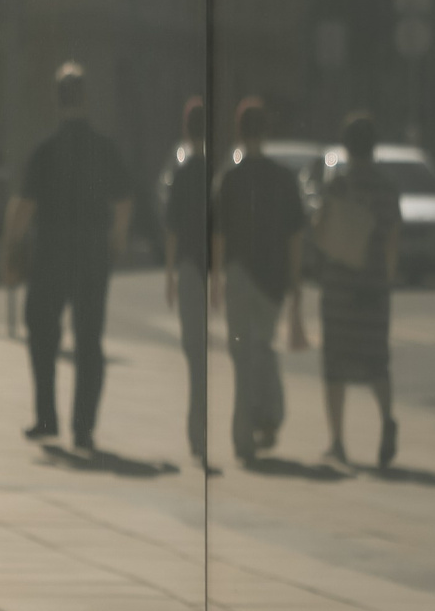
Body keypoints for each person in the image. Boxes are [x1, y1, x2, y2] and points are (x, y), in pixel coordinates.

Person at [4, 62, 131, 450]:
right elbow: (123, 202)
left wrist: (12, 250)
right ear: (86, 99)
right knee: (89, 340)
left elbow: (24, 208)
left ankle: (47, 418)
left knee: (42, 332)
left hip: (51, 252)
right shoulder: (104, 148)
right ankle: (83, 427)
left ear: (57, 101)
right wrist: (116, 242)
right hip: (92, 251)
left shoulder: (45, 151)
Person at [214, 98, 307, 464]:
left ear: (238, 132)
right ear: (265, 132)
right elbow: (295, 235)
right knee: (264, 348)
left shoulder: (229, 179)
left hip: (238, 275)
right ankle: (270, 416)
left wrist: (216, 279)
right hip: (272, 279)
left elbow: (218, 235)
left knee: (242, 356)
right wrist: (296, 280)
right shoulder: (284, 179)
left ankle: (243, 437)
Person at [314, 112, 403, 467]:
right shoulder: (387, 188)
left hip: (339, 287)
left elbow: (320, 232)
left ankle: (337, 442)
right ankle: (387, 419)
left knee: (335, 365)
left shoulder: (337, 185)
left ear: (347, 147)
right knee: (376, 360)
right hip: (373, 287)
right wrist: (387, 280)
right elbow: (393, 239)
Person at [162, 97, 214, 466]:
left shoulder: (182, 174)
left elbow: (172, 230)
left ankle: (198, 432)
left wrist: (169, 274)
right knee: (202, 356)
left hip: (189, 269)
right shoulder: (215, 173)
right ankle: (201, 430)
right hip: (212, 267)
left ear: (185, 129)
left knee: (195, 354)